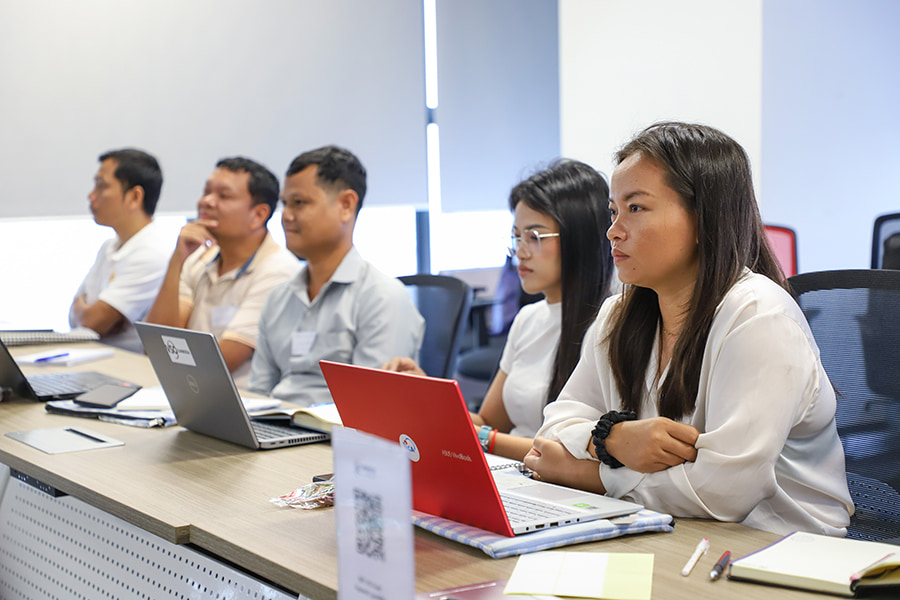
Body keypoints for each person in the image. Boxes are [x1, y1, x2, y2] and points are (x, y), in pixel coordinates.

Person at [524, 122, 853, 536]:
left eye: (636, 208)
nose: (614, 230)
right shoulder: (618, 315)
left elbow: (724, 491)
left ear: (703, 219)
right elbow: (555, 425)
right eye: (614, 211)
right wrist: (612, 440)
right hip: (670, 533)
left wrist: (591, 474)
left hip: (780, 553)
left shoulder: (759, 317)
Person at [384, 160, 614, 461]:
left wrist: (483, 439)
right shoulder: (529, 319)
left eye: (535, 237)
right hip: (510, 474)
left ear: (579, 238)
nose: (520, 251)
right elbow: (487, 423)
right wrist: (424, 391)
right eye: (517, 237)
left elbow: (573, 453)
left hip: (555, 484)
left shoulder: (611, 323)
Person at [247, 146, 424, 406]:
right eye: (284, 204)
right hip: (276, 431)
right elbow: (259, 395)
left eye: (299, 203)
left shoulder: (382, 296)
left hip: (336, 439)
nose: (286, 216)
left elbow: (376, 407)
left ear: (346, 205)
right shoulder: (279, 297)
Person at [145, 157, 300, 388]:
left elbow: (220, 363)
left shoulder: (278, 271)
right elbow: (157, 344)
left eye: (223, 196)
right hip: (189, 388)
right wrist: (176, 261)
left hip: (242, 404)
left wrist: (171, 354)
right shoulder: (200, 257)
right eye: (206, 192)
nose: (207, 202)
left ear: (258, 215)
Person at [69, 148, 170, 352]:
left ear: (134, 196)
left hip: (126, 369)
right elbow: (75, 316)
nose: (91, 196)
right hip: (93, 358)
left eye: (101, 186)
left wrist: (89, 313)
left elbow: (93, 322)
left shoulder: (152, 253)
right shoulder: (109, 246)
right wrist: (88, 314)